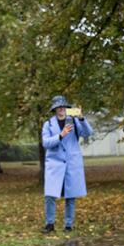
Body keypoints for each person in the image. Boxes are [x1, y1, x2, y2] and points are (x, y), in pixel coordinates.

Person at [41, 95, 94, 233]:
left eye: (63, 106)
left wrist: (82, 118)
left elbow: (88, 133)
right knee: (50, 195)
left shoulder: (75, 121)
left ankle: (69, 225)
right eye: (59, 107)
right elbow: (46, 143)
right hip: (54, 163)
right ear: (55, 109)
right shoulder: (48, 124)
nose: (61, 109)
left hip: (71, 162)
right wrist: (60, 135)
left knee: (71, 195)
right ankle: (50, 224)